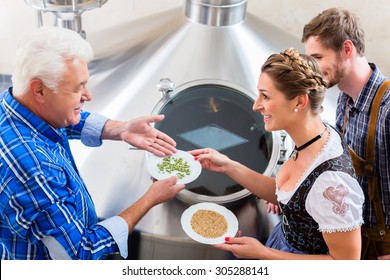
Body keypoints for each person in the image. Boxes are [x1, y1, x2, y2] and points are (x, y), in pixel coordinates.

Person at [0, 26, 185, 260]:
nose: (88, 95)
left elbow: (61, 119)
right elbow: (81, 254)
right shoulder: (34, 169)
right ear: (39, 90)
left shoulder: (13, 104)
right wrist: (150, 198)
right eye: (78, 87)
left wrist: (121, 129)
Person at [190, 48, 364, 260]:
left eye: (265, 96)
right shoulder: (311, 134)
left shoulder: (331, 183)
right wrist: (229, 166)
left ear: (299, 102)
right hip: (281, 244)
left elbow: (346, 265)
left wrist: (264, 253)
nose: (256, 105)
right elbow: (292, 198)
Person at [301, 7, 390, 260]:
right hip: (357, 244)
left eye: (317, 57)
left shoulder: (388, 109)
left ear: (347, 49)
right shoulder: (343, 101)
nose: (312, 68)